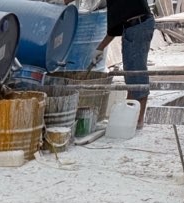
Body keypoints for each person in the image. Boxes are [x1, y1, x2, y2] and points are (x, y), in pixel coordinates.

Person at [65, 0, 156, 129]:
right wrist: (100, 48)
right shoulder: (119, 6)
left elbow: (115, 26)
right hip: (133, 26)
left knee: (135, 74)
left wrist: (66, 1)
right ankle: (131, 116)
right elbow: (114, 28)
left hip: (138, 26)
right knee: (131, 74)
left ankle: (137, 120)